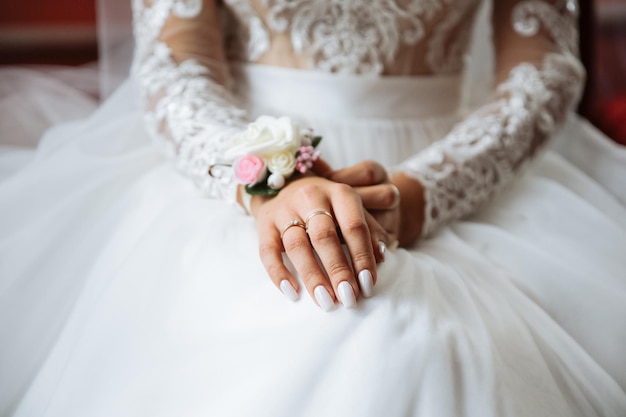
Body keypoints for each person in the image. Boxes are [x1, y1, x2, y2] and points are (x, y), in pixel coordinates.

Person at [1, 0, 625, 415]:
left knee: (428, 346)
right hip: (237, 166)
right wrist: (271, 182)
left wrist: (423, 194)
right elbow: (173, 64)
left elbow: (544, 66)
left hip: (460, 167)